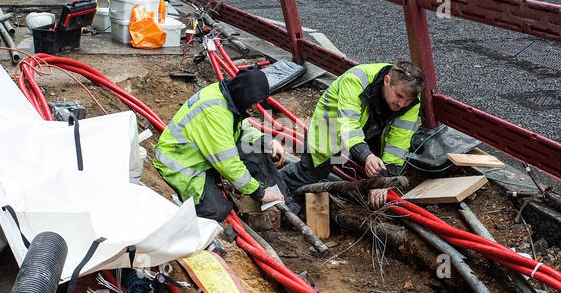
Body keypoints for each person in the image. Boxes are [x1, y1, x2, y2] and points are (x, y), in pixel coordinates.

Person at [155, 67, 293, 224]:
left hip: (200, 156)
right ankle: (264, 198)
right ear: (246, 96)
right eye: (256, 102)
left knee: (260, 149)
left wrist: (267, 141)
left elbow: (240, 128)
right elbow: (228, 163)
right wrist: (260, 193)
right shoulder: (215, 112)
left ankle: (287, 207)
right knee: (218, 210)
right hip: (182, 167)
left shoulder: (226, 95)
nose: (255, 106)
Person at [282, 60, 425, 210]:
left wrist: (384, 181)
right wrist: (367, 156)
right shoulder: (356, 80)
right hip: (329, 127)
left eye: (407, 101)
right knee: (310, 176)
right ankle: (275, 184)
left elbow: (399, 141)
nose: (402, 104)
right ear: (387, 81)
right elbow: (348, 126)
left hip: (370, 129)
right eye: (399, 96)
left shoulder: (411, 98)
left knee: (371, 172)